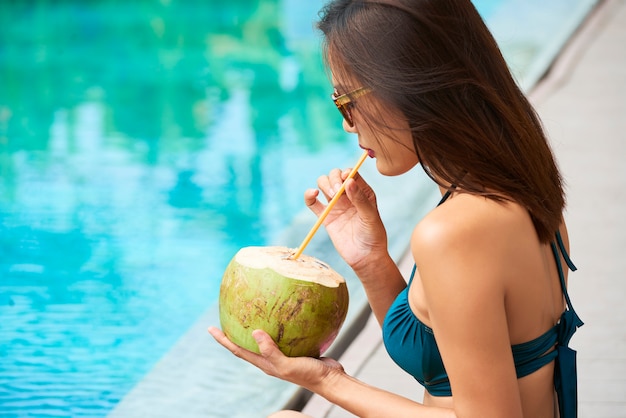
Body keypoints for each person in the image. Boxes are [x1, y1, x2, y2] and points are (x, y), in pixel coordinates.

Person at [208, 0, 584, 416]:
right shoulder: (521, 188)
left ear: (407, 86)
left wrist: (326, 381)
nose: (347, 124)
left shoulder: (454, 232)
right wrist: (370, 260)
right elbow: (444, 360)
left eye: (345, 100)